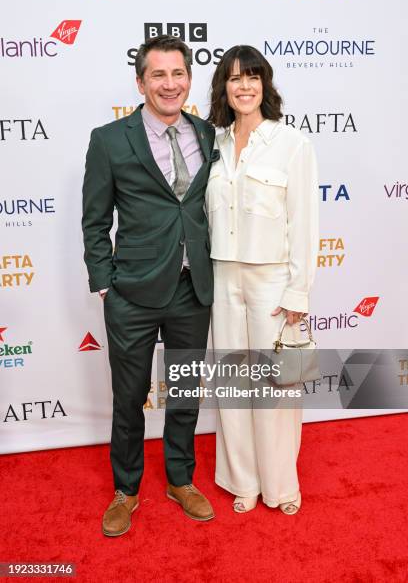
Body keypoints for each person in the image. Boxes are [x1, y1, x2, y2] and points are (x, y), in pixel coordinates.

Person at [82, 34, 217, 536]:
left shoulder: (208, 134)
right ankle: (126, 489)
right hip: (132, 292)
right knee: (129, 395)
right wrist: (105, 284)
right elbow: (94, 221)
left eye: (177, 74)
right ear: (140, 82)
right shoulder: (110, 139)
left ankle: (181, 479)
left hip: (192, 289)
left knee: (184, 391)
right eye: (158, 75)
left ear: (189, 78)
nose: (169, 84)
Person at [206, 45, 318, 514]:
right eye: (234, 79)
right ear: (224, 89)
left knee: (276, 387)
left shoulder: (292, 143)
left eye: (252, 77)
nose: (244, 86)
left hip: (272, 281)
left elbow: (305, 221)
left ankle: (280, 486)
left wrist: (299, 290)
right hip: (222, 276)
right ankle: (243, 481)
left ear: (265, 84)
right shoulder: (212, 143)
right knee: (233, 383)